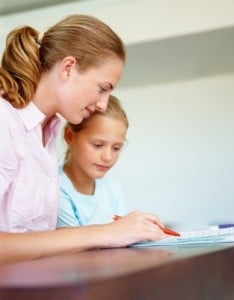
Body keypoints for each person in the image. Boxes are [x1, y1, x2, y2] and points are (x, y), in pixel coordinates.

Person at [0, 14, 166, 265]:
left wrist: (124, 232)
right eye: (102, 88)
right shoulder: (5, 121)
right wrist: (105, 233)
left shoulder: (47, 134)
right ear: (67, 68)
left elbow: (36, 239)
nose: (103, 104)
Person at [57, 95, 128, 228]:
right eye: (97, 145)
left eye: (116, 148)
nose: (108, 157)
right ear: (70, 136)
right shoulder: (54, 187)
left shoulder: (113, 190)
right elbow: (72, 244)